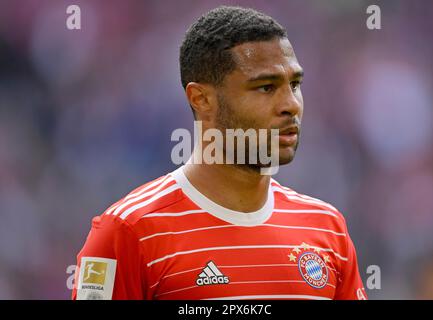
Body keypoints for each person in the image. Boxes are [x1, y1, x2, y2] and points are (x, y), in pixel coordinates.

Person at [72, 5, 368, 300]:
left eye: (295, 84)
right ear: (201, 99)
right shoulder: (128, 232)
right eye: (266, 87)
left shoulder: (328, 229)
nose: (291, 104)